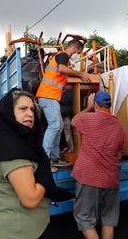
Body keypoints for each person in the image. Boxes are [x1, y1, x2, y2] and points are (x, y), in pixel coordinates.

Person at [0, 89, 72, 239]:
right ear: (8, 113)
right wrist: (45, 175)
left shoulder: (5, 141)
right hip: (19, 238)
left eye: (32, 109)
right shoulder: (12, 150)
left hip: (25, 233)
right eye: (22, 109)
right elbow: (30, 199)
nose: (30, 114)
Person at [71, 91, 128, 239]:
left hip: (88, 177)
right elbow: (120, 153)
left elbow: (73, 121)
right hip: (110, 179)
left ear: (96, 104)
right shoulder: (119, 126)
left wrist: (88, 107)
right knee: (109, 219)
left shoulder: (88, 118)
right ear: (109, 106)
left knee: (85, 218)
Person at [36, 40, 91, 169]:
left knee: (59, 126)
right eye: (78, 52)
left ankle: (54, 158)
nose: (76, 54)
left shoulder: (63, 59)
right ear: (75, 48)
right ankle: (44, 160)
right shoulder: (63, 56)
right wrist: (80, 74)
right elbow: (61, 68)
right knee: (55, 126)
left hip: (50, 96)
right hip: (48, 95)